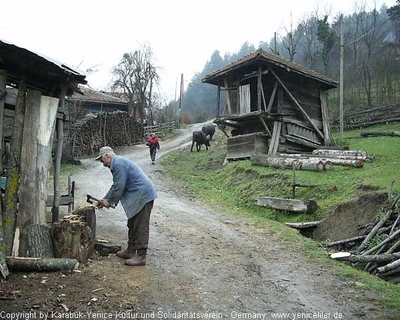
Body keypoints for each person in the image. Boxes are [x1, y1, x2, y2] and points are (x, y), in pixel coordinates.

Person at [95, 146, 157, 266]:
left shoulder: (118, 164)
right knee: (132, 223)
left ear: (107, 156)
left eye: (102, 161)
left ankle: (141, 256)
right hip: (138, 195)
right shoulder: (117, 163)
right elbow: (115, 186)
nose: (103, 164)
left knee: (141, 225)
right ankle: (130, 251)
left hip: (143, 195)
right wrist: (105, 198)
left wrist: (110, 202)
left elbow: (120, 186)